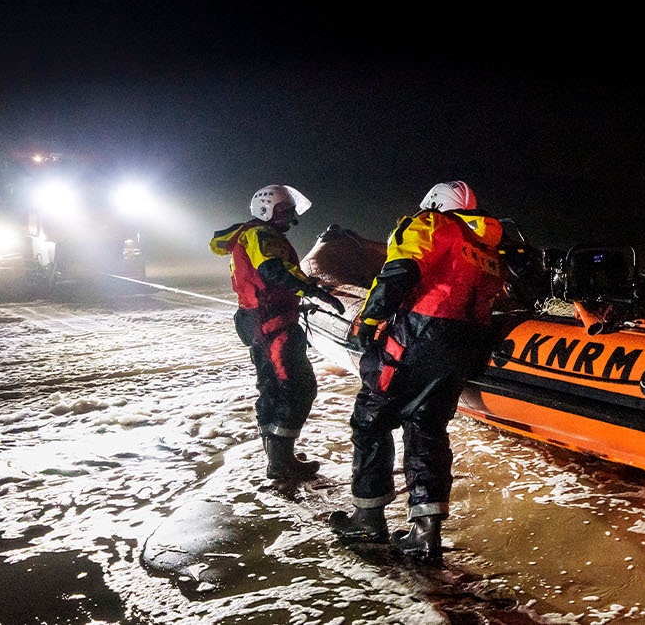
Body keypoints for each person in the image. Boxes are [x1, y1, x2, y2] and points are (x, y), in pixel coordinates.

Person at [329, 181, 505, 564]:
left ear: (434, 204)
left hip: (420, 332)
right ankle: (426, 535)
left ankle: (367, 518)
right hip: (465, 342)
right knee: (427, 427)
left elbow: (401, 269)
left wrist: (370, 317)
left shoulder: (432, 224)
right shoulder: (485, 248)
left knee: (370, 418)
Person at [209, 184, 345, 487]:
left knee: (272, 387)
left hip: (258, 318)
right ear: (266, 210)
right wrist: (312, 290)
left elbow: (273, 273)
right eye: (285, 212)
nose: (290, 218)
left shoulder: (251, 235)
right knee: (297, 388)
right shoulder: (260, 236)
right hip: (271, 322)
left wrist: (305, 289)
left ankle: (278, 460)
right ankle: (281, 463)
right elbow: (272, 270)